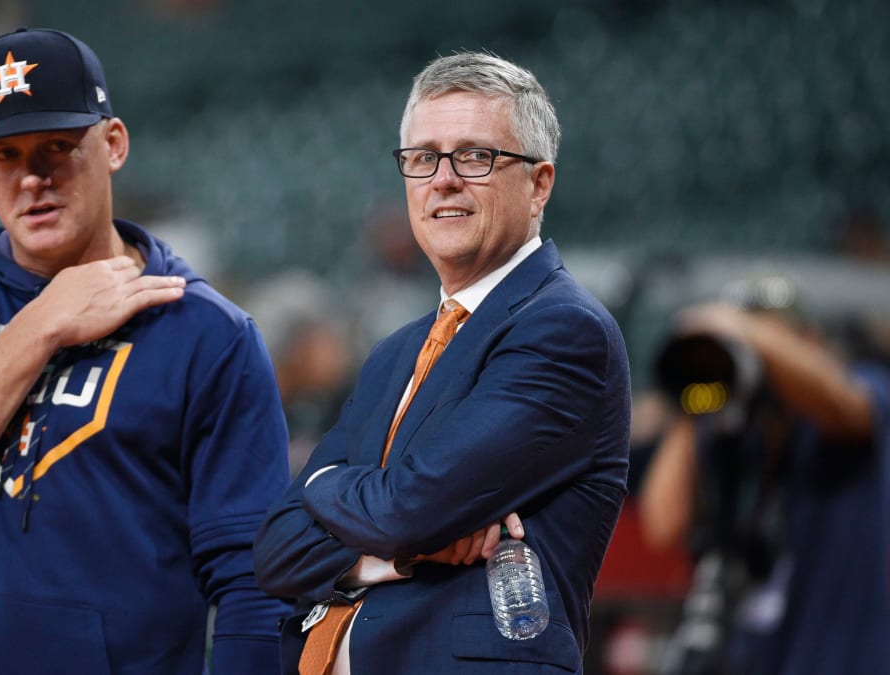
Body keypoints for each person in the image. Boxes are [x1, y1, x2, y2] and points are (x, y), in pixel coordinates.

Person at [0, 27, 291, 674]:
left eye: (58, 146)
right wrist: (45, 321)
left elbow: (252, 581)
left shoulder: (208, 334)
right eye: (5, 154)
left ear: (113, 144)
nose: (33, 178)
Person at [253, 51, 632, 674]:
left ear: (539, 184)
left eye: (476, 156)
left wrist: (324, 487)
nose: (443, 179)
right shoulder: (393, 353)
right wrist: (397, 553)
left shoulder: (564, 329)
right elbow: (275, 549)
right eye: (423, 157)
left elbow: (408, 509)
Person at [637, 296, 890, 675]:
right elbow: (663, 525)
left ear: (810, 343)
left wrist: (743, 328)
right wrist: (697, 385)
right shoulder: (730, 430)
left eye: (775, 340)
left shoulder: (860, 389)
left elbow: (845, 405)